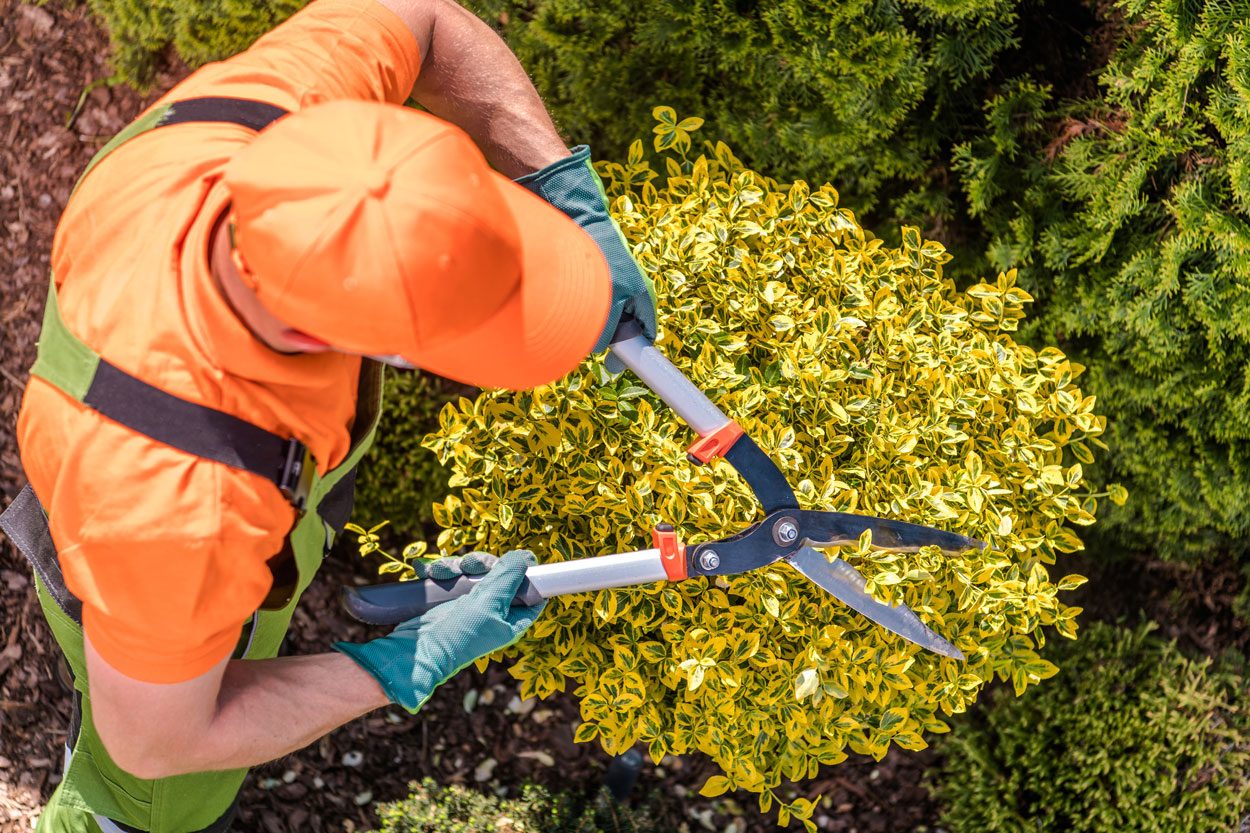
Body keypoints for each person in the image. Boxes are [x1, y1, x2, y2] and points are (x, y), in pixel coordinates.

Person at [0, 0, 657, 830]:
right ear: (323, 336)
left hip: (160, 479)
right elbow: (156, 740)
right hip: (134, 606)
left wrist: (561, 192)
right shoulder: (181, 512)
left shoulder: (277, 133)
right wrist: (403, 662)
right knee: (146, 804)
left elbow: (421, 19)